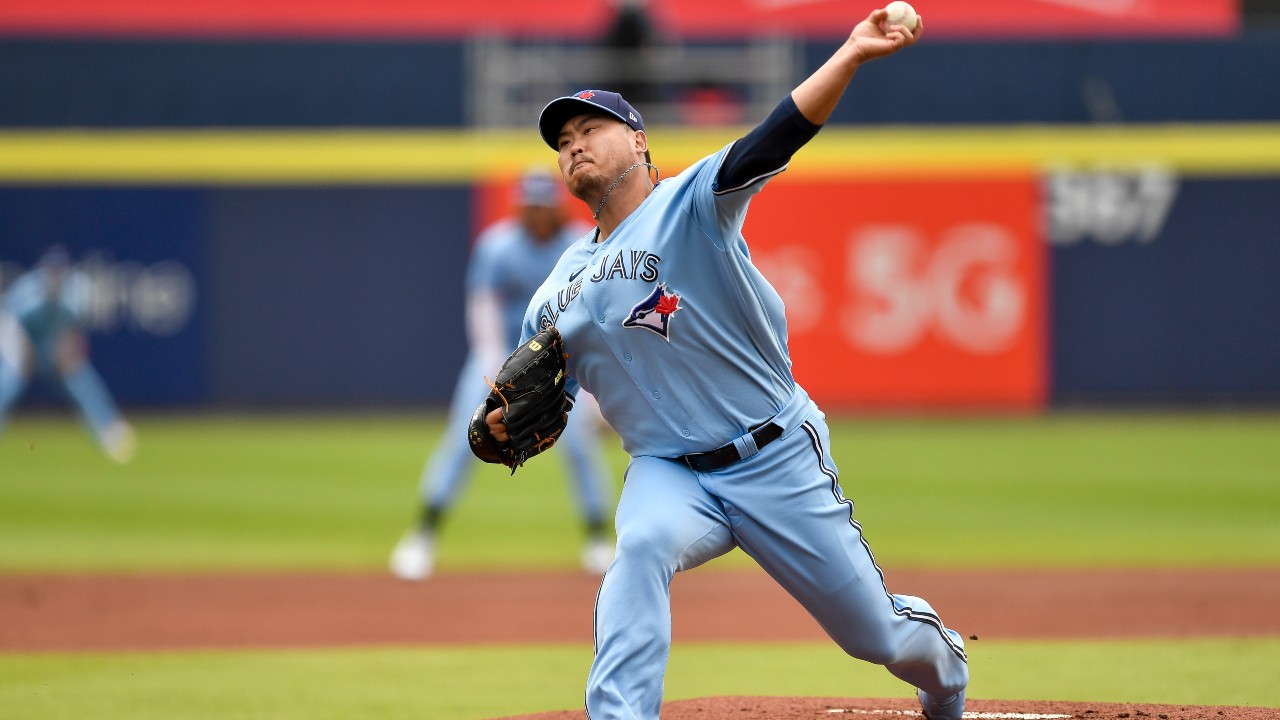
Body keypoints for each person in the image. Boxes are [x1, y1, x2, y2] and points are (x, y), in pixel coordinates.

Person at [485, 7, 969, 719]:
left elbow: (780, 134)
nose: (574, 146)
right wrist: (504, 423)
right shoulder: (555, 290)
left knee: (876, 637)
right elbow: (538, 396)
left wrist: (851, 55)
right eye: (563, 140)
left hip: (774, 456)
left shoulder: (691, 203)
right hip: (667, 470)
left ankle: (946, 667)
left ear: (639, 141)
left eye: (590, 129)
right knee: (642, 544)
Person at [390, 168, 616, 580]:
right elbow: (483, 308)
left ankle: (599, 538)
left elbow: (594, 315)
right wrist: (494, 365)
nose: (538, 213)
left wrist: (591, 385)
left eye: (544, 205)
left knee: (580, 445)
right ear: (521, 206)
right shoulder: (498, 245)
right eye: (531, 205)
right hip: (498, 358)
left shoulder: (580, 243)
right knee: (465, 435)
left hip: (560, 362)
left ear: (557, 206)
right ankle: (422, 534)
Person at [0, 246, 136, 463]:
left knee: (81, 380)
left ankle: (110, 431)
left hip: (53, 341)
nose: (55, 276)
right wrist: (25, 359)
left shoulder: (78, 289)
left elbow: (73, 331)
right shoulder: (28, 292)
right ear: (44, 271)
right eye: (52, 271)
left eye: (59, 271)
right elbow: (11, 327)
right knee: (7, 386)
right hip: (18, 341)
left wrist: (64, 352)